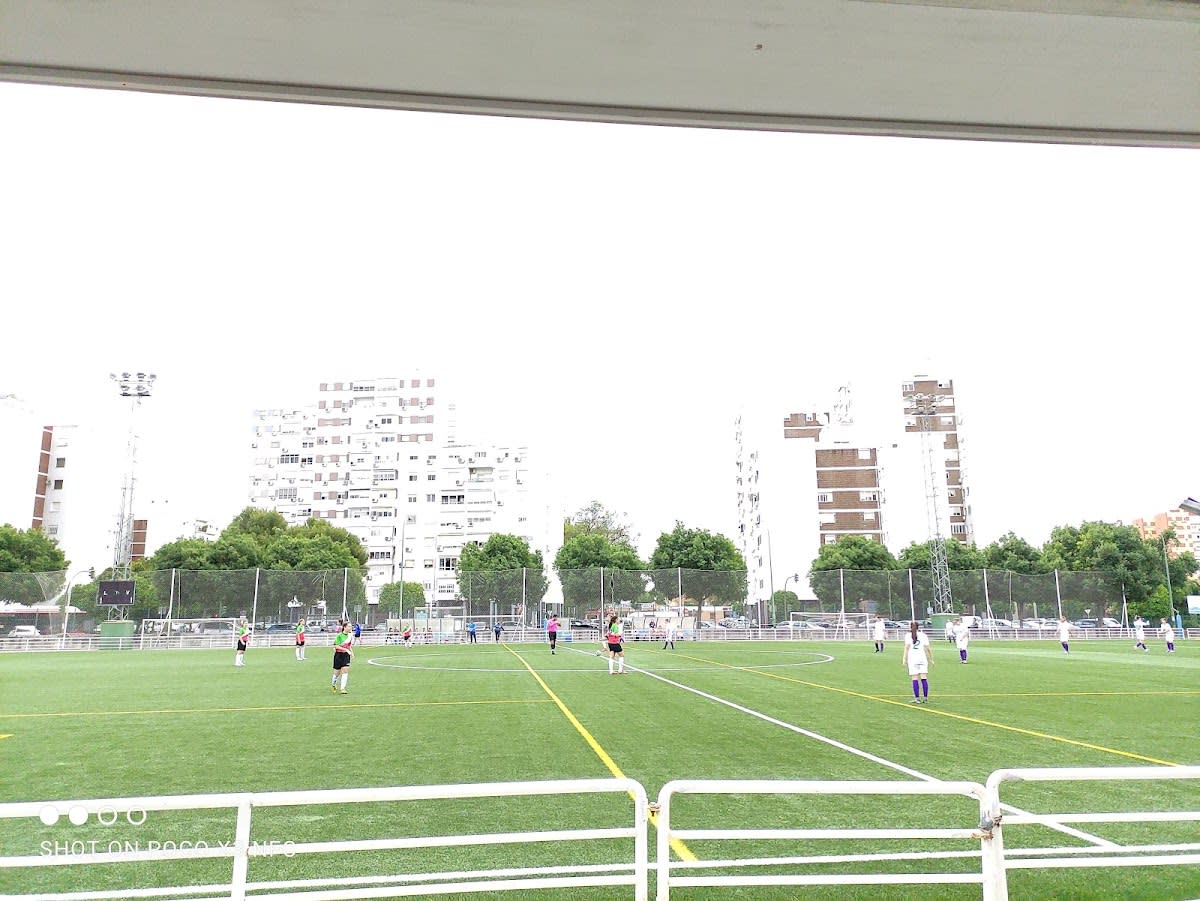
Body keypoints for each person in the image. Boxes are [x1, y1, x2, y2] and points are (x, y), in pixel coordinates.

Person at [902, 620, 932, 703]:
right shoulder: (923, 635)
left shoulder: (908, 636)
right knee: (924, 677)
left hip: (913, 659)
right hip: (922, 658)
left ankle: (917, 698)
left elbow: (906, 648)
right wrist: (931, 659)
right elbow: (928, 648)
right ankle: (925, 698)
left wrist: (904, 659)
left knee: (915, 678)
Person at [331, 619, 354, 693]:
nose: (350, 628)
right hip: (338, 655)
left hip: (346, 656)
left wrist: (351, 652)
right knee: (336, 673)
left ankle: (343, 688)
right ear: (344, 627)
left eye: (351, 626)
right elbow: (336, 646)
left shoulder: (350, 636)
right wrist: (345, 650)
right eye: (349, 626)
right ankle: (333, 684)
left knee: (345, 671)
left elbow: (349, 646)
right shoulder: (339, 636)